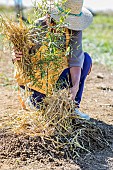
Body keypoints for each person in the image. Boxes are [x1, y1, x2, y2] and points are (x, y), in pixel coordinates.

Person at [13, 0, 93, 120]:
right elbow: (22, 54)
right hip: (38, 76)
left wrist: (75, 86)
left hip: (56, 73)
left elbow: (76, 58)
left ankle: (72, 106)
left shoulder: (75, 29)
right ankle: (36, 99)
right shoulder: (40, 25)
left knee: (86, 60)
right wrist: (16, 55)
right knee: (40, 108)